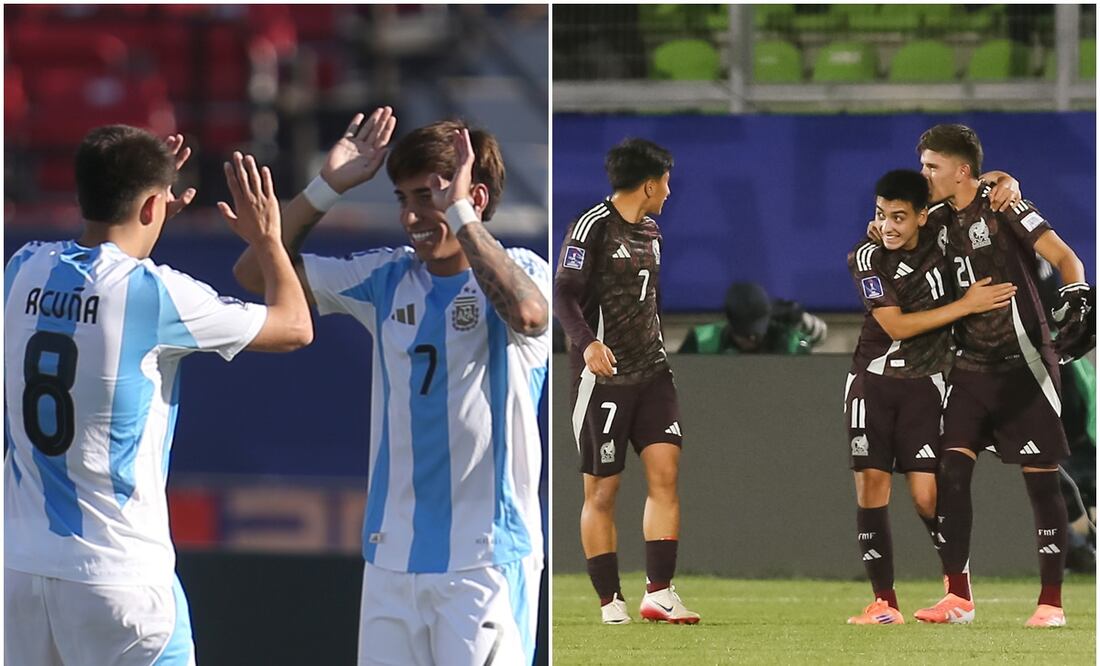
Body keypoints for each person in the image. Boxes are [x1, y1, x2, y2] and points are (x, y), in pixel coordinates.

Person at [233, 107, 550, 665]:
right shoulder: (385, 279)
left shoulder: (523, 269)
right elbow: (254, 274)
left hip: (485, 561)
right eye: (403, 199)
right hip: (390, 560)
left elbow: (527, 315)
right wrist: (328, 186)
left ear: (473, 197)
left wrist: (459, 214)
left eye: (427, 196)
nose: (411, 216)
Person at [4, 125, 312, 665]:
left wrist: (140, 213)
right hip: (120, 582)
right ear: (153, 206)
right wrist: (267, 239)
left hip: (19, 574)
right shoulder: (157, 293)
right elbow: (294, 327)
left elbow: (99, 271)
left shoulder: (22, 267)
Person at [911, 124, 1092, 628]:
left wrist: (1077, 295)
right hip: (968, 367)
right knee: (950, 472)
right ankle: (958, 598)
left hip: (1024, 365)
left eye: (932, 167)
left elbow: (1065, 257)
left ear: (961, 170)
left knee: (1040, 483)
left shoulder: (1005, 205)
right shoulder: (937, 218)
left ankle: (1051, 603)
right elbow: (895, 223)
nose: (924, 175)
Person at [843, 169, 1018, 625]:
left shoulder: (943, 230)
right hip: (872, 381)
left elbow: (974, 187)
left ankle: (958, 594)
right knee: (871, 487)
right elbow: (896, 326)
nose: (888, 227)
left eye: (900, 217)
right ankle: (884, 603)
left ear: (923, 215)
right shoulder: (867, 257)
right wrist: (966, 305)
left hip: (926, 384)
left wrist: (1004, 179)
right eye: (881, 216)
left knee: (926, 496)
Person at [554, 138, 699, 625]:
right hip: (604, 380)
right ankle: (609, 601)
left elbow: (648, 300)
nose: (669, 192)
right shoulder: (591, 226)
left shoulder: (653, 231)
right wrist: (586, 345)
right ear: (649, 184)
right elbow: (563, 294)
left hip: (653, 373)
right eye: (667, 183)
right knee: (602, 492)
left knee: (665, 475)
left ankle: (659, 592)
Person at [678, 281, 827, 354]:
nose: (752, 340)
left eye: (757, 333)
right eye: (745, 335)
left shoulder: (787, 341)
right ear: (730, 325)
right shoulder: (701, 342)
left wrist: (800, 318)